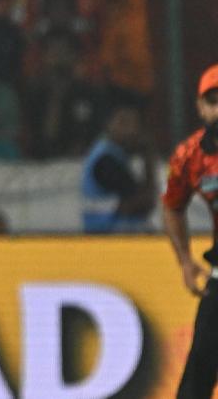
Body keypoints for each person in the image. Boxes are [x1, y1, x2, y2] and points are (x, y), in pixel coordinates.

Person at [163, 64, 218, 397]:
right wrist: (185, 259)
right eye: (213, 101)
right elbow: (172, 206)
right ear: (200, 107)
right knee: (197, 377)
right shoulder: (190, 156)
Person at [80, 92, 157, 233]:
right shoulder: (106, 160)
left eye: (134, 123)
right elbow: (145, 203)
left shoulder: (114, 154)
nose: (131, 130)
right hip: (108, 236)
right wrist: (148, 157)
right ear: (108, 124)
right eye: (123, 122)